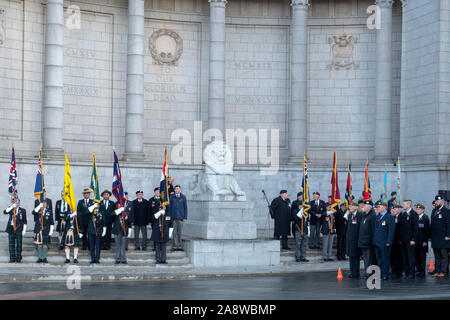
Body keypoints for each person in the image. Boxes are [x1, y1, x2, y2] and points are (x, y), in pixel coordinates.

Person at [373, 201, 395, 280]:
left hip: (385, 242)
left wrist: (389, 241)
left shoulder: (389, 217)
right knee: (379, 259)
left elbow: (391, 230)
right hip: (377, 242)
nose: (378, 208)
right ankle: (382, 273)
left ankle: (385, 274)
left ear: (385, 207)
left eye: (379, 207)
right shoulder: (378, 217)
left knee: (385, 259)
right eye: (377, 207)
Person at [430, 195, 450, 278]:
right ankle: (438, 271)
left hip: (443, 237)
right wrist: (430, 236)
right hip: (435, 238)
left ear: (442, 201)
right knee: (437, 256)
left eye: (438, 201)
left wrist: (448, 235)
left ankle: (444, 271)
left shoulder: (446, 211)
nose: (436, 202)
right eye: (435, 201)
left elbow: (448, 224)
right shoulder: (434, 211)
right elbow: (432, 225)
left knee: (444, 256)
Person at [398, 200, 419, 279]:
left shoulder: (414, 214)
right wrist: (400, 239)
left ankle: (411, 273)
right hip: (403, 240)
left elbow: (416, 229)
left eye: (404, 204)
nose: (403, 206)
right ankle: (406, 272)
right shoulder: (403, 214)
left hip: (410, 240)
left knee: (411, 257)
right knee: (405, 257)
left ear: (409, 205)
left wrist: (413, 239)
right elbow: (401, 228)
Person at [358, 200, 375, 278]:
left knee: (368, 258)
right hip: (363, 241)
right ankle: (366, 272)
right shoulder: (364, 216)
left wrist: (372, 241)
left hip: (368, 241)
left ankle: (369, 273)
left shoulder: (372, 216)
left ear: (369, 207)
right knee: (365, 258)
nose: (363, 207)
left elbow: (373, 230)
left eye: (365, 205)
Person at [32, 199, 54, 263]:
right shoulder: (38, 210)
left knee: (44, 244)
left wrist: (51, 231)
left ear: (47, 204)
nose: (44, 204)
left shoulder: (49, 211)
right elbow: (33, 212)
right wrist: (39, 206)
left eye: (45, 203)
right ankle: (39, 258)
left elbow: (51, 222)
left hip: (46, 229)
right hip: (39, 230)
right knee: (39, 244)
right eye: (43, 203)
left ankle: (44, 257)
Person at [112, 199, 133, 264]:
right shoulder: (116, 212)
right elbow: (111, 215)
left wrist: (130, 229)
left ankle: (123, 259)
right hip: (117, 231)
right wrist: (118, 211)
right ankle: (118, 258)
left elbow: (129, 220)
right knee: (118, 245)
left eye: (121, 205)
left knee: (123, 245)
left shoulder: (125, 213)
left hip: (124, 231)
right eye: (118, 205)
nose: (119, 206)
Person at [291, 192, 309, 262]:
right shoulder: (295, 211)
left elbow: (307, 219)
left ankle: (303, 257)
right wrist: (301, 211)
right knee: (298, 244)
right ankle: (297, 257)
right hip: (298, 228)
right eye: (301, 205)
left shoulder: (305, 212)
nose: (302, 206)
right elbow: (295, 218)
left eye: (303, 205)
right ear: (299, 206)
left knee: (304, 244)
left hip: (305, 229)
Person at [169, 185, 188, 251]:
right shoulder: (172, 197)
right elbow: (169, 208)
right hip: (174, 218)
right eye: (176, 189)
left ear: (180, 189)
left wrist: (185, 217)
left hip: (181, 218)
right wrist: (170, 216)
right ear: (174, 190)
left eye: (178, 188)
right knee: (174, 233)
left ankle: (179, 246)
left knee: (179, 232)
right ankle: (174, 246)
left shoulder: (183, 197)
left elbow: (185, 208)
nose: (177, 190)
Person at [345, 202, 361, 278]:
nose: (350, 207)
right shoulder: (350, 215)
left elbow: (360, 229)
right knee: (351, 256)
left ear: (356, 207)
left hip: (356, 239)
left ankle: (356, 272)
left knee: (356, 257)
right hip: (350, 239)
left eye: (351, 206)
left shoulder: (360, 215)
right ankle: (352, 272)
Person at [414, 203, 430, 278]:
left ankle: (423, 271)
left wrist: (425, 241)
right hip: (416, 241)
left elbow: (427, 231)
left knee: (422, 257)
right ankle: (419, 270)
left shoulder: (425, 218)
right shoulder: (416, 217)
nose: (417, 210)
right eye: (417, 209)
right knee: (417, 256)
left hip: (422, 241)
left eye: (419, 209)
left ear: (422, 210)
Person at [390, 204, 403, 279]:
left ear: (399, 209)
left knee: (399, 257)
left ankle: (399, 272)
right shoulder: (394, 217)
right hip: (393, 240)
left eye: (395, 209)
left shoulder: (402, 216)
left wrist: (400, 239)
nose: (394, 210)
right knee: (393, 256)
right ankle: (394, 270)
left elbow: (402, 229)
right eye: (393, 209)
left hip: (399, 241)